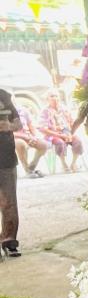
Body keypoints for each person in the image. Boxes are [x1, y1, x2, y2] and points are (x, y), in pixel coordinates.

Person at [0, 88, 22, 258]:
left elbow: (19, 124)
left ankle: (9, 241)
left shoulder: (3, 96)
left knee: (9, 203)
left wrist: (9, 126)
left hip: (6, 159)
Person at [39, 91, 82, 173]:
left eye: (56, 96)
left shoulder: (64, 108)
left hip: (67, 132)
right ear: (47, 99)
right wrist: (60, 135)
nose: (55, 98)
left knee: (78, 141)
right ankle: (63, 164)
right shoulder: (45, 111)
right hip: (53, 134)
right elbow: (43, 129)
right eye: (52, 96)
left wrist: (70, 134)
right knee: (60, 143)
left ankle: (73, 163)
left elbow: (72, 123)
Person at [13, 103, 47, 179]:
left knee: (43, 145)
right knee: (21, 144)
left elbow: (31, 125)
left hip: (27, 135)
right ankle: (27, 170)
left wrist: (34, 137)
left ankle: (31, 167)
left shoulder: (22, 110)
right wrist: (25, 137)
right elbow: (6, 131)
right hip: (12, 137)